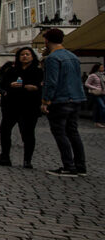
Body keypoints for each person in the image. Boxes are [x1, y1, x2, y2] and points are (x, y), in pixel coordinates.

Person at [41, 28, 87, 177]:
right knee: (73, 132)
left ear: (47, 40)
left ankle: (68, 166)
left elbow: (51, 82)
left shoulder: (52, 58)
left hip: (60, 100)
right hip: (76, 98)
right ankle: (80, 166)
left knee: (60, 133)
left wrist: (45, 101)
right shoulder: (73, 56)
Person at [0, 47, 43, 169]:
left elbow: (41, 86)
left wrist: (35, 88)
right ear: (18, 57)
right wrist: (9, 86)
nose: (25, 56)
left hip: (29, 106)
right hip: (11, 105)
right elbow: (1, 85)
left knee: (28, 133)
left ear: (32, 57)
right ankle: (5, 157)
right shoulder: (11, 71)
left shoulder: (37, 71)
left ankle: (27, 160)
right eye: (22, 54)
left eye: (27, 54)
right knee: (4, 130)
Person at [84, 64, 105, 128]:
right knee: (102, 107)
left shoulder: (103, 75)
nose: (103, 68)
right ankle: (101, 121)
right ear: (97, 68)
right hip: (96, 93)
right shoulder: (93, 75)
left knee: (97, 108)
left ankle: (97, 122)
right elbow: (86, 84)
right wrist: (95, 88)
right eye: (101, 67)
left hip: (103, 93)